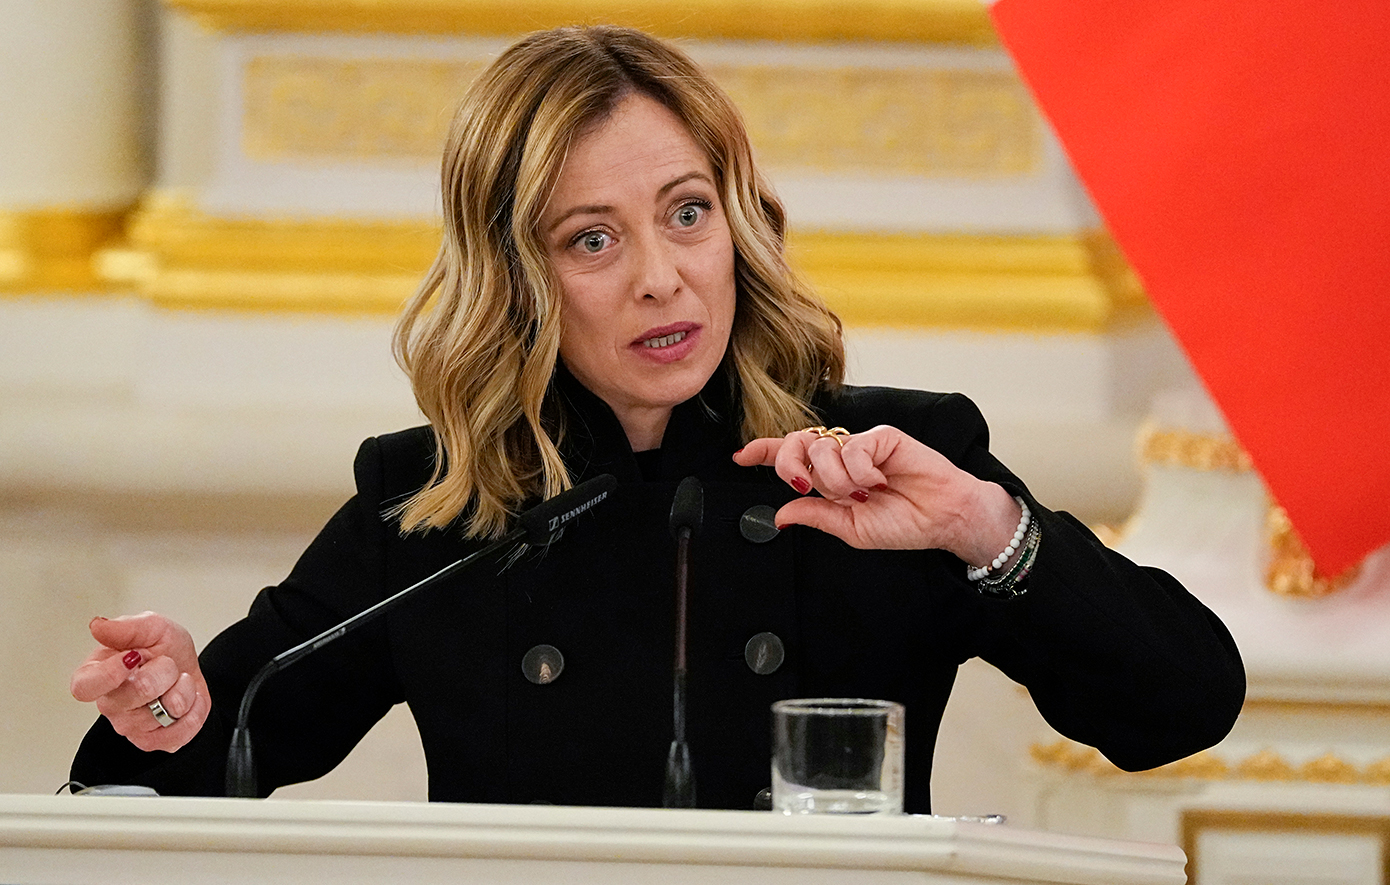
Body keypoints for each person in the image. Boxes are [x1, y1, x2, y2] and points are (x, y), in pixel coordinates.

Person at [69, 25, 1244, 812]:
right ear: (514, 277)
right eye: (592, 238)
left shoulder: (886, 468)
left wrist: (991, 532)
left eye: (686, 213)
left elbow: (1179, 708)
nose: (660, 278)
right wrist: (164, 704)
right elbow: (177, 767)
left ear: (737, 221)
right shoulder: (433, 507)